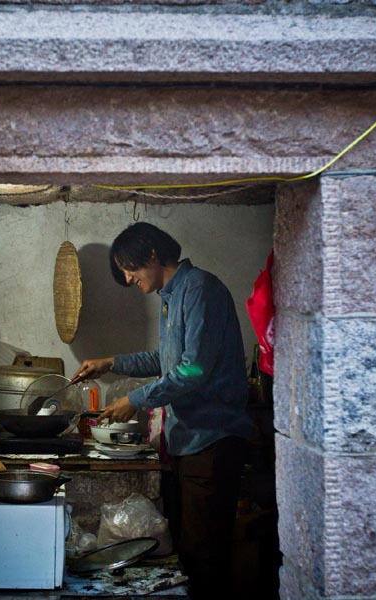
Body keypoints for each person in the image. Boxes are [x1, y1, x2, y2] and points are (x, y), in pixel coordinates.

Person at [73, 222, 252, 599]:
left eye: (128, 267)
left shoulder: (201, 288)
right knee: (189, 554)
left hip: (213, 441)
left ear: (152, 255)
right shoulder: (172, 296)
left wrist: (134, 400)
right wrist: (110, 362)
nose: (126, 277)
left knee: (206, 557)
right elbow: (166, 360)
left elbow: (193, 370)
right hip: (188, 442)